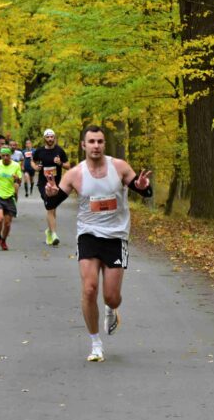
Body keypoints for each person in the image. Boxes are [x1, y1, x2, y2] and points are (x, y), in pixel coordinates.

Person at [44, 126, 151, 362]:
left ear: (104, 144)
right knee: (89, 288)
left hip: (116, 236)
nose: (96, 146)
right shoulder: (75, 174)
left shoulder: (119, 167)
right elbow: (52, 202)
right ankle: (95, 344)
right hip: (88, 234)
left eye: (100, 141)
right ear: (83, 145)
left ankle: (111, 309)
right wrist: (49, 194)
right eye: (91, 141)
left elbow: (143, 189)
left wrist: (143, 187)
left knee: (111, 297)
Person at [33, 129, 70, 246]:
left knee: (52, 208)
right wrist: (36, 168)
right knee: (50, 207)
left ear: (54, 138)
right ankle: (54, 234)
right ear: (44, 138)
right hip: (43, 184)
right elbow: (33, 162)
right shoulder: (39, 151)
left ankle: (49, 231)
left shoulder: (59, 151)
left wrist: (60, 163)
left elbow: (68, 165)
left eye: (52, 137)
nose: (50, 139)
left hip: (56, 184)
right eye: (48, 137)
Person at [0, 146, 22, 251]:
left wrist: (17, 179)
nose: (5, 157)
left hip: (9, 197)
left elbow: (19, 181)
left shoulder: (16, 165)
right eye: (3, 155)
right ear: (1, 156)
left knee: (7, 223)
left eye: (7, 155)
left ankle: (3, 240)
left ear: (10, 155)